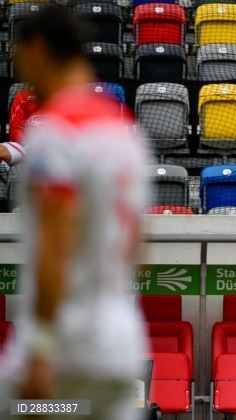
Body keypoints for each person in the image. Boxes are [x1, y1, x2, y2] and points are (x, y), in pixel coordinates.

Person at [0, 6, 149, 420]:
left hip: (67, 346)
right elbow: (139, 246)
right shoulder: (126, 137)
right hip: (120, 347)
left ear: (38, 49)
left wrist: (42, 347)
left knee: (21, 408)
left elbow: (56, 243)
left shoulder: (56, 133)